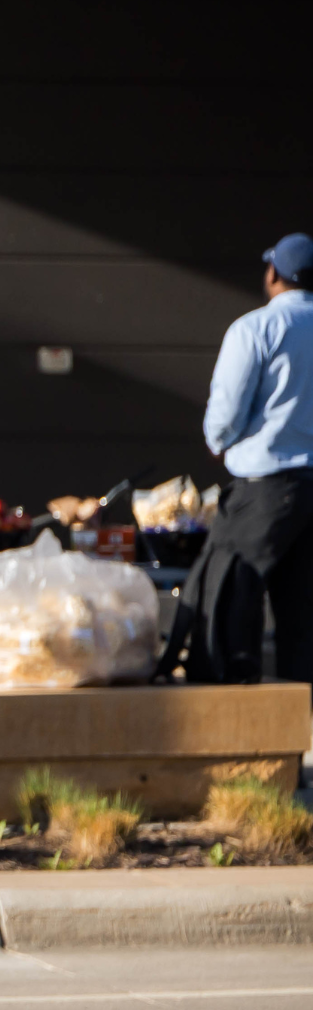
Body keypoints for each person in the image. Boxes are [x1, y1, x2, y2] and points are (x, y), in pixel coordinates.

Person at [189, 233, 313, 683]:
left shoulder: (255, 328)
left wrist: (218, 439)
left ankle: (235, 733)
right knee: (303, 621)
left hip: (265, 488)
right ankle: (298, 735)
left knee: (229, 605)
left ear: (274, 274)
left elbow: (227, 408)